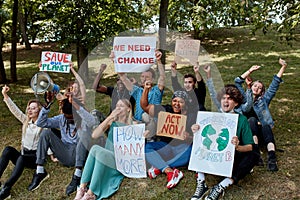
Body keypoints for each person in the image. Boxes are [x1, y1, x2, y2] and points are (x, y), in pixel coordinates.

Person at [190, 85, 259, 200]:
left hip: (230, 160)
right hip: (213, 157)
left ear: (236, 103)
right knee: (197, 144)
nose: (226, 101)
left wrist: (237, 147)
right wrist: (196, 131)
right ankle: (201, 183)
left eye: (230, 98)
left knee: (254, 154)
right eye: (223, 98)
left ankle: (222, 185)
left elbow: (250, 147)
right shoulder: (211, 117)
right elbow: (201, 140)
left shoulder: (241, 120)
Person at [27, 92, 96, 195]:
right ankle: (40, 171)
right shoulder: (61, 119)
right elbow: (40, 123)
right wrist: (47, 106)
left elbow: (93, 122)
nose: (68, 120)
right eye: (66, 117)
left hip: (79, 154)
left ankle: (77, 175)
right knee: (46, 132)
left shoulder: (83, 120)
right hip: (64, 152)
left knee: (85, 135)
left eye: (71, 117)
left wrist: (76, 106)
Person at [73, 99, 136, 200]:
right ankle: (82, 188)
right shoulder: (111, 123)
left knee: (98, 150)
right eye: (117, 106)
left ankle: (90, 193)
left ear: (129, 109)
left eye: (121, 106)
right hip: (107, 155)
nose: (118, 108)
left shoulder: (134, 124)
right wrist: (110, 117)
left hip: (121, 159)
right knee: (95, 149)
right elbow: (94, 135)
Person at [140, 80, 197, 189]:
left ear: (186, 103)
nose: (177, 104)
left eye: (180, 102)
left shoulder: (192, 115)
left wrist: (188, 137)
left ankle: (159, 167)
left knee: (191, 153)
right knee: (146, 147)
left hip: (182, 148)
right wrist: (146, 90)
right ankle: (169, 171)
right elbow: (145, 106)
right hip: (165, 147)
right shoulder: (166, 110)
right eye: (174, 100)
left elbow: (198, 138)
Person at [234, 58, 287, 171]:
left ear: (262, 92)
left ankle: (272, 158)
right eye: (255, 85)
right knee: (252, 120)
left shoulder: (264, 100)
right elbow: (237, 82)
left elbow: (274, 84)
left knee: (266, 126)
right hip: (247, 134)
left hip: (261, 132)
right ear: (250, 86)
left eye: (260, 88)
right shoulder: (244, 98)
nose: (257, 88)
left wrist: (283, 67)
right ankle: (256, 153)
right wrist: (250, 70)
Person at [0, 85, 43, 199]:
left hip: (34, 158)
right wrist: (5, 95)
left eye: (33, 108)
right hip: (23, 155)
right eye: (29, 108)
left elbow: (49, 141)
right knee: (8, 149)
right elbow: (15, 110)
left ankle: (7, 188)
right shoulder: (26, 121)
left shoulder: (44, 125)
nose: (30, 110)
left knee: (22, 158)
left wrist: (52, 156)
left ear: (40, 110)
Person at [118, 50, 165, 121]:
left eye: (147, 77)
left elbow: (162, 77)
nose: (144, 79)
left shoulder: (156, 90)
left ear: (152, 79)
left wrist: (158, 61)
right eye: (142, 76)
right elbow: (123, 78)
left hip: (152, 122)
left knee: (145, 116)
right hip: (138, 122)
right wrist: (117, 62)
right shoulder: (137, 91)